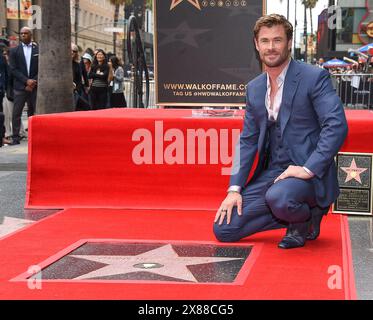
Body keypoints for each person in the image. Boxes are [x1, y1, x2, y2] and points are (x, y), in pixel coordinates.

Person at [213, 14, 348, 249]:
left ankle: (304, 217)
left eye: (277, 40)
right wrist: (234, 189)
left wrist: (308, 169)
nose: (271, 47)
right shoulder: (254, 89)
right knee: (225, 229)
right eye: (265, 41)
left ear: (288, 42)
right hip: (274, 173)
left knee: (280, 197)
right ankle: (296, 213)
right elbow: (247, 141)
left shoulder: (313, 77)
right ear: (257, 45)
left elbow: (336, 125)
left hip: (308, 173)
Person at [8, 27, 38, 145]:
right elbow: (13, 69)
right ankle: (16, 137)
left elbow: (42, 68)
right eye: (21, 33)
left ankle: (33, 136)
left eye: (26, 33)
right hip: (20, 87)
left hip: (34, 86)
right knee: (16, 113)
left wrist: (33, 81)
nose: (23, 35)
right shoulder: (14, 51)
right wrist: (26, 81)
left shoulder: (38, 49)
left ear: (31, 35)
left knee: (33, 112)